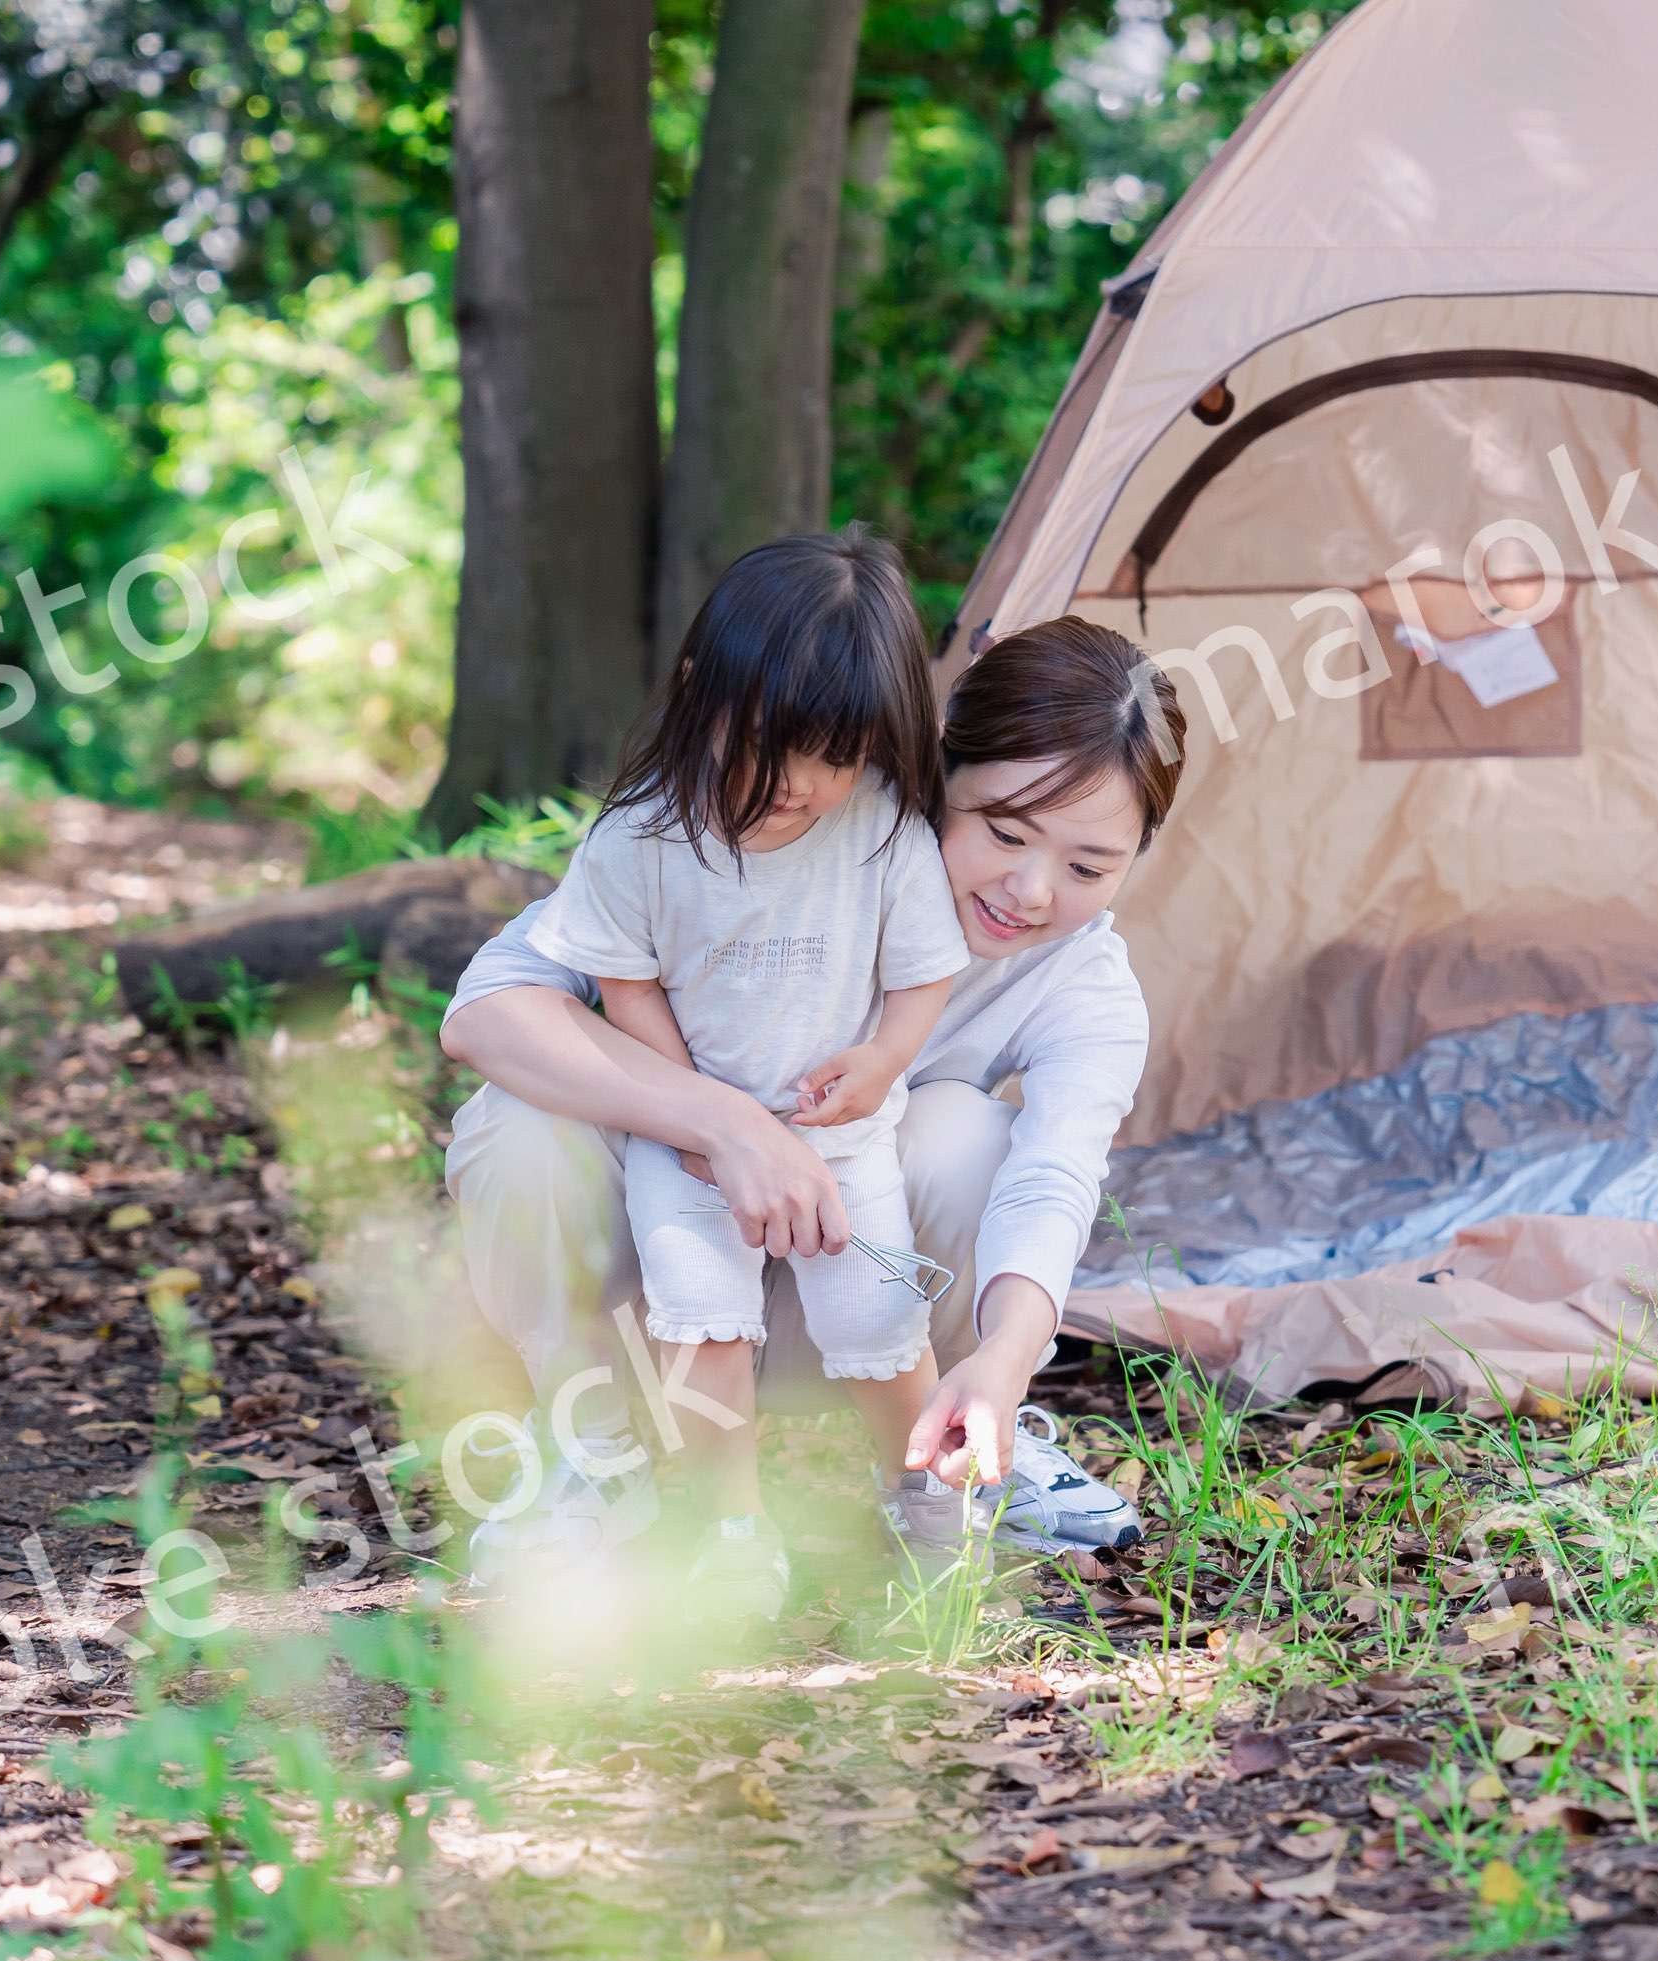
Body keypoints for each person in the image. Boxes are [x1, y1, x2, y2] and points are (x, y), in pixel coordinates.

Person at [440, 609, 1183, 1588]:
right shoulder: (769, 842)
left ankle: (934, 1467)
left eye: (1089, 866)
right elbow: (485, 1015)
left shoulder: (1081, 983)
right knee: (522, 1121)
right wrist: (723, 1121)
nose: (1032, 889)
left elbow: (1055, 1175)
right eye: (1004, 831)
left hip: (854, 1316)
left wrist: (1007, 1355)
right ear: (932, 778)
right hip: (662, 1294)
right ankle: (593, 1456)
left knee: (963, 1128)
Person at [505, 532, 968, 1616]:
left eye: (834, 756)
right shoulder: (637, 841)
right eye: (767, 742)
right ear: (696, 696)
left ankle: (924, 1502)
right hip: (690, 1150)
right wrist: (698, 1124)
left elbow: (921, 982)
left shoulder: (883, 837)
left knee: (877, 1318)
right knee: (701, 1323)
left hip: (841, 1140)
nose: (796, 786)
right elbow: (629, 989)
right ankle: (729, 1528)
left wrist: (883, 1059)